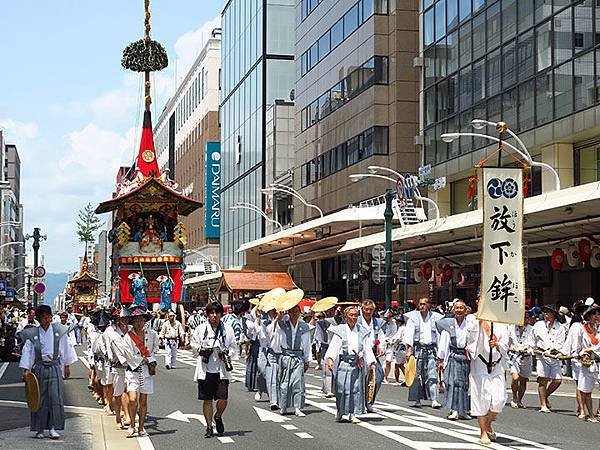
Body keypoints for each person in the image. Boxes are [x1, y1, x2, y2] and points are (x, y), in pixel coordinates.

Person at [19, 305, 77, 439]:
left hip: (55, 367)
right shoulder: (33, 333)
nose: (47, 319)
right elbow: (28, 352)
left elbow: (65, 348)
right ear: (38, 319)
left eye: (48, 316)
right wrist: (26, 370)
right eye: (44, 317)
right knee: (39, 398)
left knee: (55, 398)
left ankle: (52, 427)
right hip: (39, 368)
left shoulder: (59, 331)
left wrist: (66, 365)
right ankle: (39, 429)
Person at [190, 302, 238, 438]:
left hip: (222, 370)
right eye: (211, 313)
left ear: (221, 314)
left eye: (217, 313)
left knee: (223, 398)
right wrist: (201, 350)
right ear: (207, 314)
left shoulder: (227, 329)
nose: (214, 315)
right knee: (207, 400)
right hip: (206, 370)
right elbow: (193, 344)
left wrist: (227, 353)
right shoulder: (201, 329)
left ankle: (218, 416)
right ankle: (209, 427)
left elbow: (234, 347)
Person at [325, 306, 375, 423]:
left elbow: (367, 348)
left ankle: (353, 413)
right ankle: (341, 412)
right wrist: (331, 359)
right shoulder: (340, 330)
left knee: (356, 389)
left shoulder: (362, 331)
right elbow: (334, 346)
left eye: (355, 315)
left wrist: (371, 362)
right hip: (344, 362)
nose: (353, 317)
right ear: (345, 317)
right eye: (351, 315)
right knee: (342, 389)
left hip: (357, 363)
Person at [467, 319, 509, 445]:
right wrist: (480, 324)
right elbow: (471, 342)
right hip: (480, 363)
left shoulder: (502, 322)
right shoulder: (472, 319)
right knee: (481, 399)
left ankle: (488, 423)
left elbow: (506, 345)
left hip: (497, 365)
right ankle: (483, 431)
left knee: (499, 400)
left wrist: (497, 344)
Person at [122, 307, 159, 438]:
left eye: (142, 320)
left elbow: (155, 348)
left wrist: (150, 359)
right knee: (132, 399)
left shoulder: (152, 334)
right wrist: (141, 359)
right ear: (132, 322)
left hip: (146, 371)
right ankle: (132, 425)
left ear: (145, 321)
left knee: (143, 401)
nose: (139, 323)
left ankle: (141, 428)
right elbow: (128, 354)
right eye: (136, 320)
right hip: (133, 371)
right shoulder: (128, 337)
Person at [273, 303, 312, 417]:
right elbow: (275, 338)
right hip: (286, 356)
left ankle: (297, 407)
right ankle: (283, 406)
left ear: (300, 313)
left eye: (296, 312)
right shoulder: (283, 324)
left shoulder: (304, 326)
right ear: (288, 313)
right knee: (284, 383)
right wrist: (277, 319)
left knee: (297, 382)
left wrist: (306, 360)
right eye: (291, 312)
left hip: (298, 357)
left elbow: (306, 344)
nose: (294, 314)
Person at [404, 297, 443, 408]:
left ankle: (434, 399)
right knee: (416, 375)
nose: (422, 306)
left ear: (429, 305)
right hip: (417, 349)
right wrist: (409, 349)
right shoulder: (413, 317)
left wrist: (441, 354)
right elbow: (409, 334)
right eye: (420, 304)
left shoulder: (437, 318)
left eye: (424, 304)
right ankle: (417, 399)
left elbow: (440, 336)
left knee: (432, 375)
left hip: (431, 350)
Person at [436, 300, 471, 420]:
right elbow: (444, 343)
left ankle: (464, 410)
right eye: (457, 308)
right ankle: (455, 409)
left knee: (465, 384)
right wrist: (441, 359)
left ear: (465, 310)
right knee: (454, 383)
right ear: (453, 310)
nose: (459, 310)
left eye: (461, 308)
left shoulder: (470, 325)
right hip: (454, 356)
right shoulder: (448, 324)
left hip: (466, 357)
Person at [528, 305, 566, 413]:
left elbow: (560, 343)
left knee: (557, 380)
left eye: (548, 313)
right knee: (542, 379)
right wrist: (531, 347)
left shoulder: (560, 327)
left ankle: (545, 396)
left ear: (554, 314)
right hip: (541, 355)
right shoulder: (539, 325)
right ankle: (543, 405)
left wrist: (553, 351)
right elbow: (531, 338)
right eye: (544, 313)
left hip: (554, 356)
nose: (545, 315)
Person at [105, 308, 132, 429]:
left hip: (131, 366)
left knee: (129, 391)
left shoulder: (131, 330)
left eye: (127, 318)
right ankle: (117, 417)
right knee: (118, 393)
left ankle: (127, 415)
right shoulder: (111, 332)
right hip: (117, 366)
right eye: (122, 319)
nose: (125, 321)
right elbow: (109, 350)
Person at [573, 304, 600, 422]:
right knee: (586, 390)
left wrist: (592, 350)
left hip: (598, 361)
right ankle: (590, 414)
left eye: (598, 314)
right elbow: (577, 347)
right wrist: (580, 353)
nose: (597, 316)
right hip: (587, 362)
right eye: (594, 314)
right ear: (588, 316)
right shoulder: (581, 329)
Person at [357, 299, 385, 412]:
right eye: (366, 309)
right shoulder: (356, 320)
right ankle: (360, 403)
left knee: (378, 377)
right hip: (360, 353)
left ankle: (369, 401)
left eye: (371, 310)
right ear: (362, 309)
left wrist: (381, 347)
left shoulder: (378, 322)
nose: (368, 312)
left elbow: (381, 337)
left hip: (373, 354)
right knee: (361, 379)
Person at [508, 311, 534, 409]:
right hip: (514, 355)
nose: (524, 320)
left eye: (526, 318)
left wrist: (530, 348)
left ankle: (519, 400)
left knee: (523, 380)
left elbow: (534, 342)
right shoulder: (511, 328)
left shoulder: (532, 329)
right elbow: (507, 342)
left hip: (526, 356)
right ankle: (514, 397)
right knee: (515, 378)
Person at [313, 310, 343, 397]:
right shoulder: (321, 323)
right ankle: (328, 389)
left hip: (337, 347)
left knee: (336, 368)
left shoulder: (343, 323)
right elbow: (318, 336)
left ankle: (333, 388)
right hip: (326, 346)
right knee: (327, 369)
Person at [382, 309, 398, 384]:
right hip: (381, 344)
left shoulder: (393, 324)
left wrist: (389, 340)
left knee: (388, 361)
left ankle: (385, 376)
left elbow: (394, 334)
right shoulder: (381, 323)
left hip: (389, 344)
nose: (387, 319)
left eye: (388, 317)